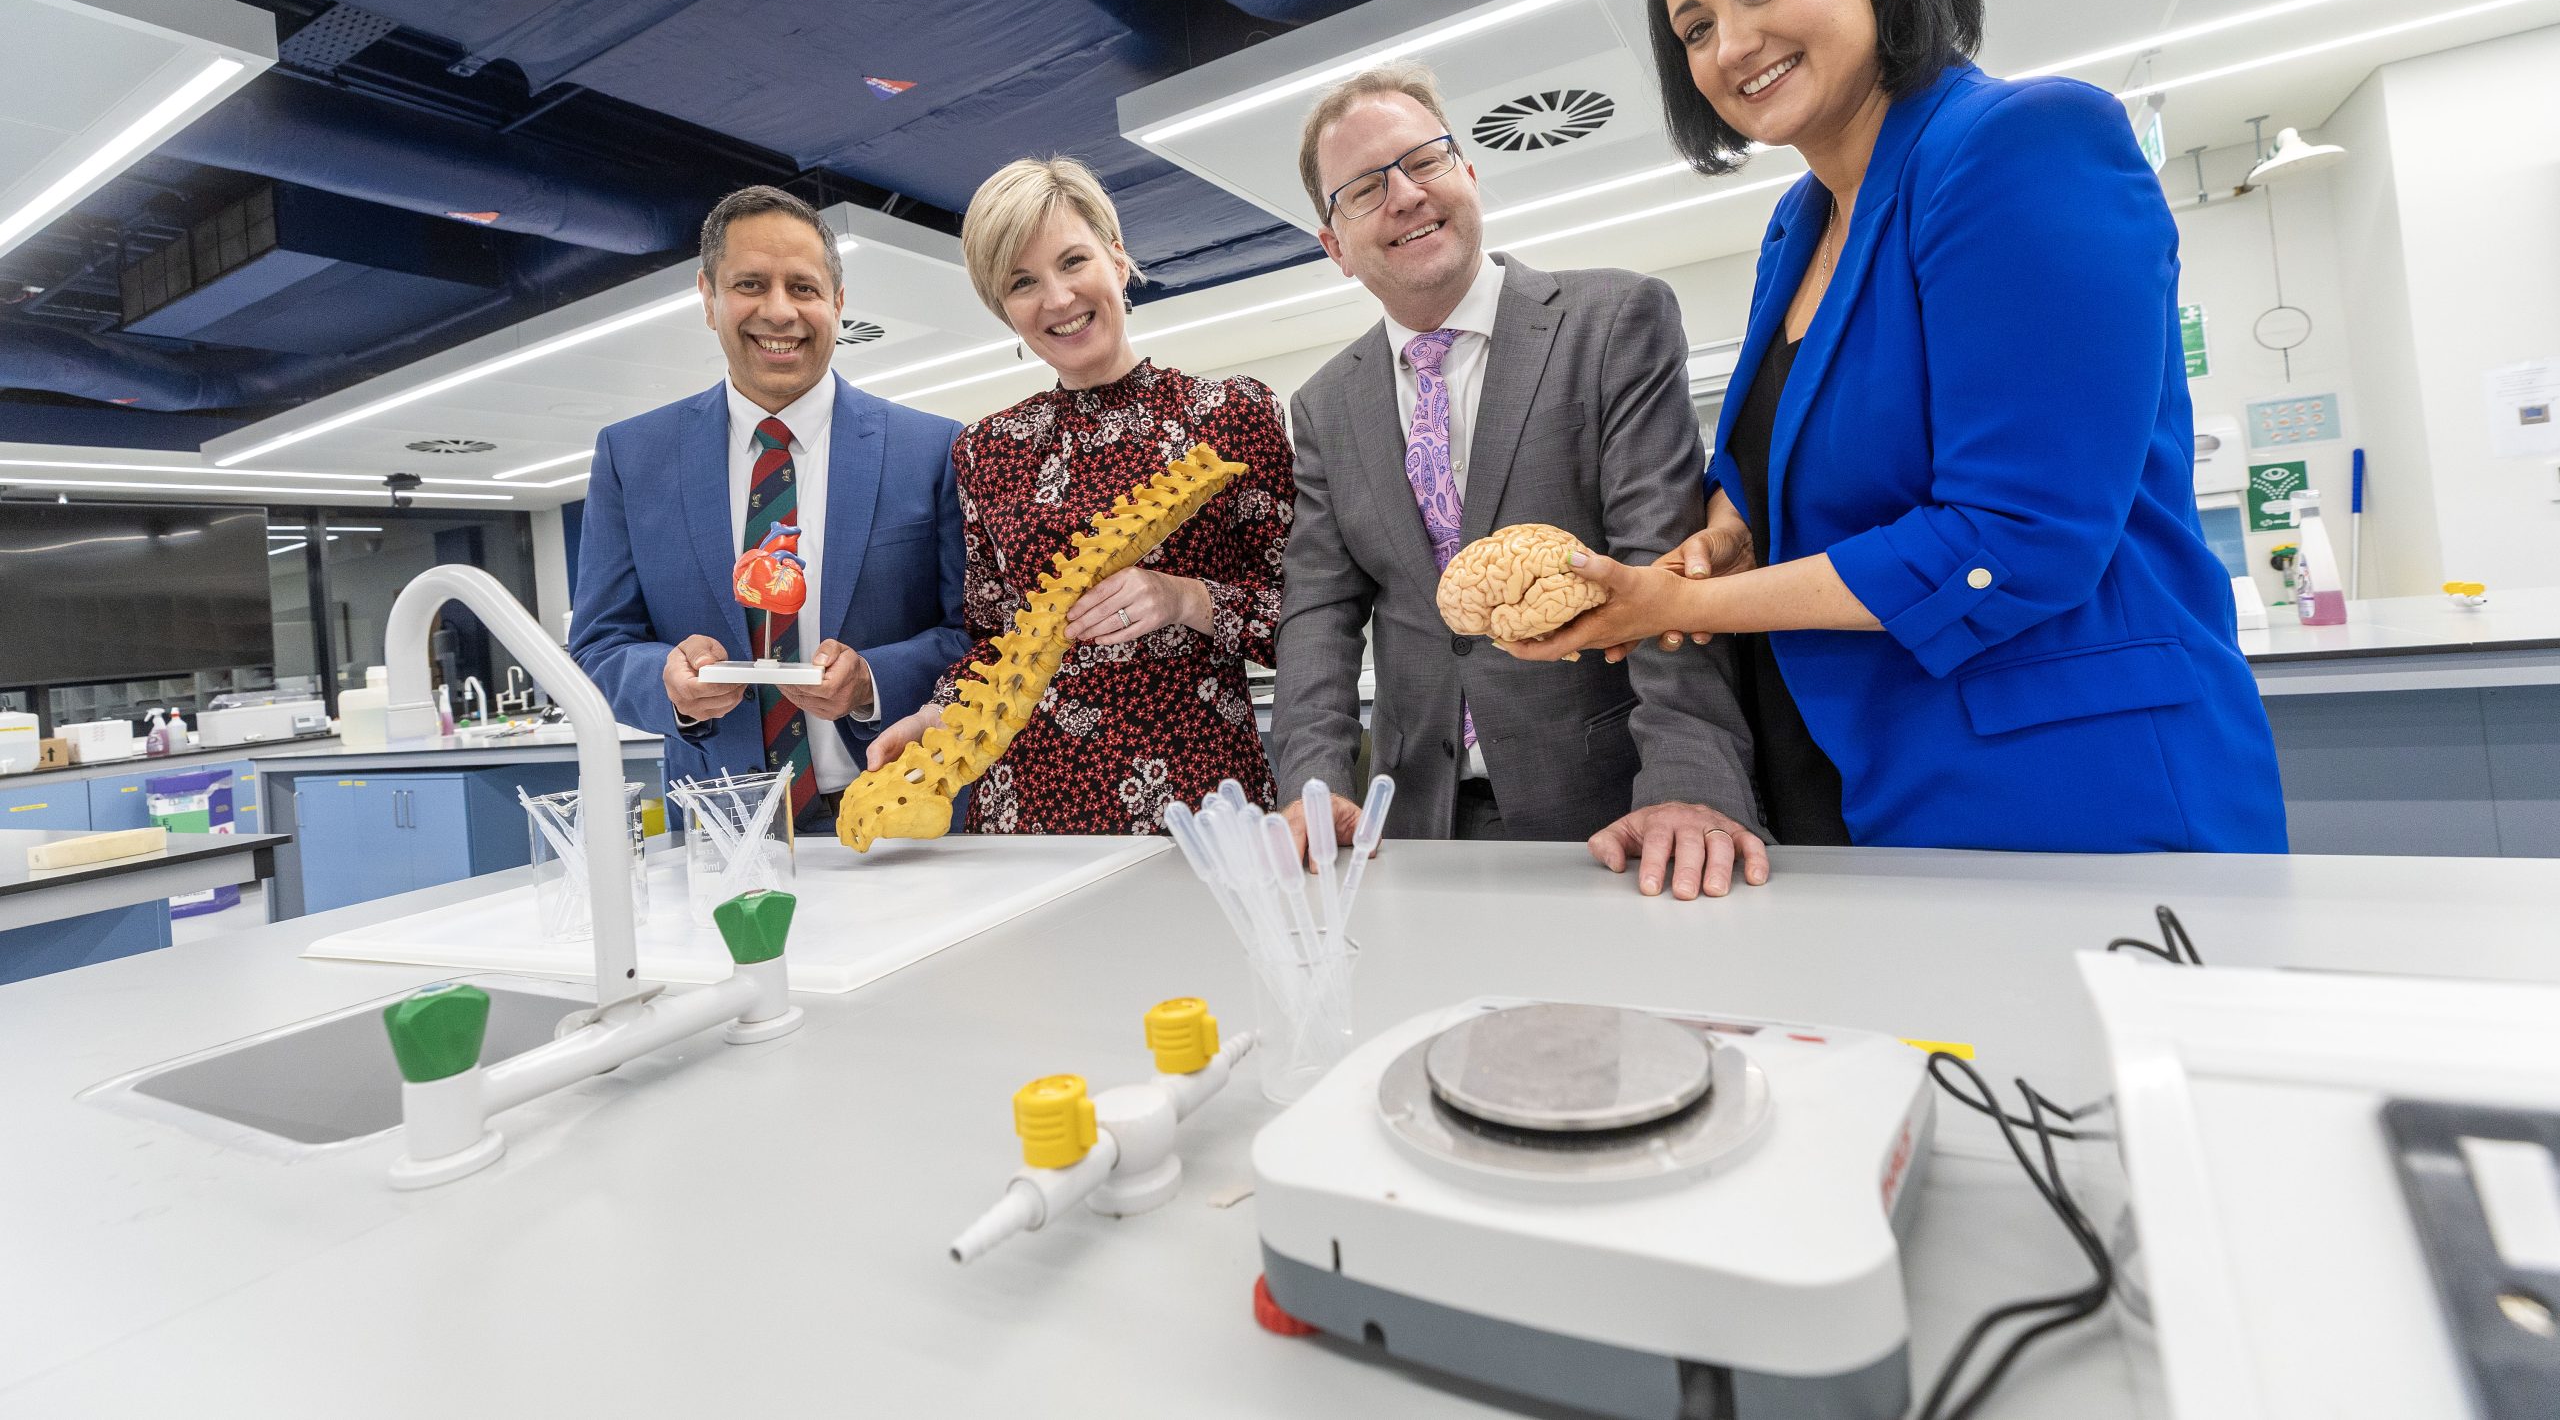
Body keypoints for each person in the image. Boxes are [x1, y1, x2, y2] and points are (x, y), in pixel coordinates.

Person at [1506, 0, 2288, 856]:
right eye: (1693, 28)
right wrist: (1727, 529)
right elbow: (1787, 453)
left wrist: (1679, 605)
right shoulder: (1798, 225)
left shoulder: (2020, 143)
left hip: (2074, 792)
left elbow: (2017, 537)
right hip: (1864, 779)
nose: (1731, 44)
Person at [1270, 63, 1769, 902]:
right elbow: (1318, 612)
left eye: (1424, 161)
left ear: (1468, 171)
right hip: (1414, 826)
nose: (1404, 194)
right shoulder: (1325, 406)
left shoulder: (1613, 322)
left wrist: (1690, 776)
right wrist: (1314, 787)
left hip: (1614, 811)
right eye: (1363, 188)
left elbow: (1669, 569)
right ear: (1335, 248)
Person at [864, 157, 1293, 833]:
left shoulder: (1232, 414)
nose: (1058, 298)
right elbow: (997, 635)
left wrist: (1184, 597)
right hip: (1023, 804)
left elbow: (1306, 621)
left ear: (1117, 259)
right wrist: (933, 715)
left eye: (1072, 261)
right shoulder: (987, 449)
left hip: (1194, 797)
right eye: (1022, 282)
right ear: (1004, 309)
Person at [571, 185, 967, 832]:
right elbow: (598, 644)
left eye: (804, 288)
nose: (779, 311)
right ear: (709, 297)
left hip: (900, 813)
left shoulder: (932, 448)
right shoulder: (632, 458)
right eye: (751, 284)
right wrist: (666, 681)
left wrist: (872, 679)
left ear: (838, 303)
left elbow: (973, 636)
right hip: (721, 828)